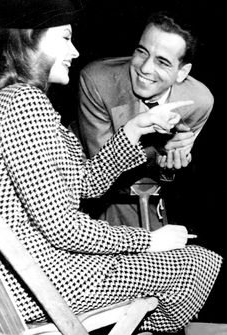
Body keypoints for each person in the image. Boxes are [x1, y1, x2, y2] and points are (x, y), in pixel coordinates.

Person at [0, 0, 222, 335]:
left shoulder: (1, 99)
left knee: (169, 262)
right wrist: (148, 241)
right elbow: (61, 226)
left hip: (11, 288)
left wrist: (132, 130)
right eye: (65, 38)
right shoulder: (26, 102)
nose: (75, 50)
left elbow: (87, 183)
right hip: (40, 282)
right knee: (199, 263)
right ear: (30, 39)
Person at [77, 11, 214, 231]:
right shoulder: (97, 81)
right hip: (84, 193)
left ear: (182, 73)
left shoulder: (199, 101)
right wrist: (160, 147)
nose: (145, 68)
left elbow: (170, 175)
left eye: (162, 62)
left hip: (143, 192)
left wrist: (169, 168)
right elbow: (100, 172)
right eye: (142, 52)